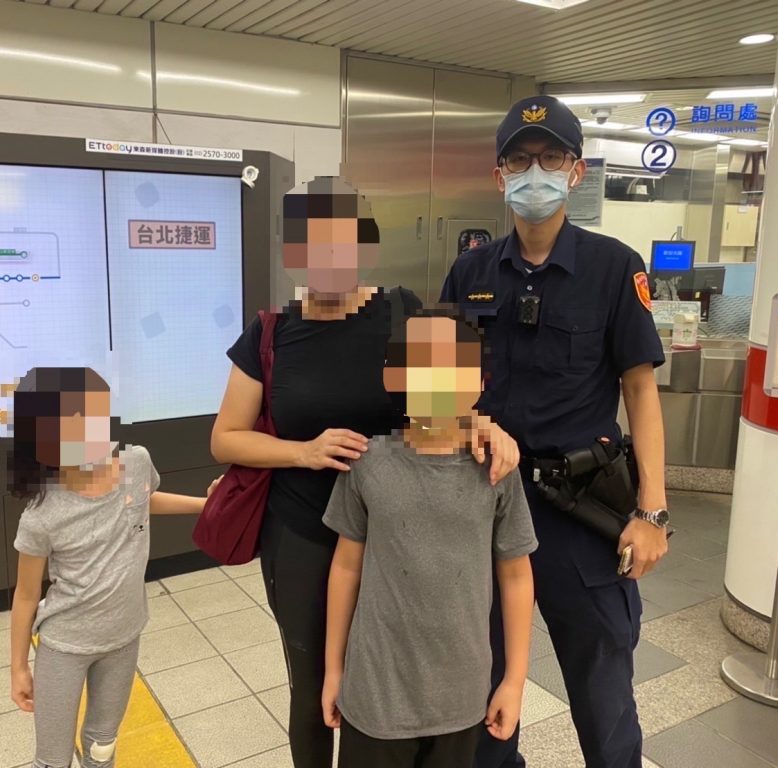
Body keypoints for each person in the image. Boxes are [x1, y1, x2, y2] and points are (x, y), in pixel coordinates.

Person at [211, 176, 520, 768]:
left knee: (398, 674)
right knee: (313, 687)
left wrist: (484, 424)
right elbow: (226, 437)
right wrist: (303, 452)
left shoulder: (402, 310)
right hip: (303, 532)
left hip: (400, 530)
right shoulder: (271, 333)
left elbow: (446, 387)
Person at [441, 95, 669, 768]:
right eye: (518, 160)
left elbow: (640, 393)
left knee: (604, 697)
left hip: (580, 510)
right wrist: (470, 421)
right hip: (484, 503)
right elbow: (436, 390)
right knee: (482, 690)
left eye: (550, 158)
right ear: (499, 175)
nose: (533, 172)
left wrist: (652, 512)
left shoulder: (614, 267)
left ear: (576, 171)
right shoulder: (470, 271)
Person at [321, 309, 538, 768]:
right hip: (375, 694)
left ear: (479, 381)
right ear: (394, 376)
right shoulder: (367, 463)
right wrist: (333, 668)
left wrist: (514, 681)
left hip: (461, 698)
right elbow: (345, 566)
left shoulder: (497, 470)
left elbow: (517, 576)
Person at [8, 366, 219, 768]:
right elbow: (26, 594)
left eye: (95, 415)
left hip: (124, 636)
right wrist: (18, 667)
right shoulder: (40, 515)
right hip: (65, 646)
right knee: (52, 760)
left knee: (102, 746)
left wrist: (206, 507)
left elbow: (143, 500)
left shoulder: (136, 462)